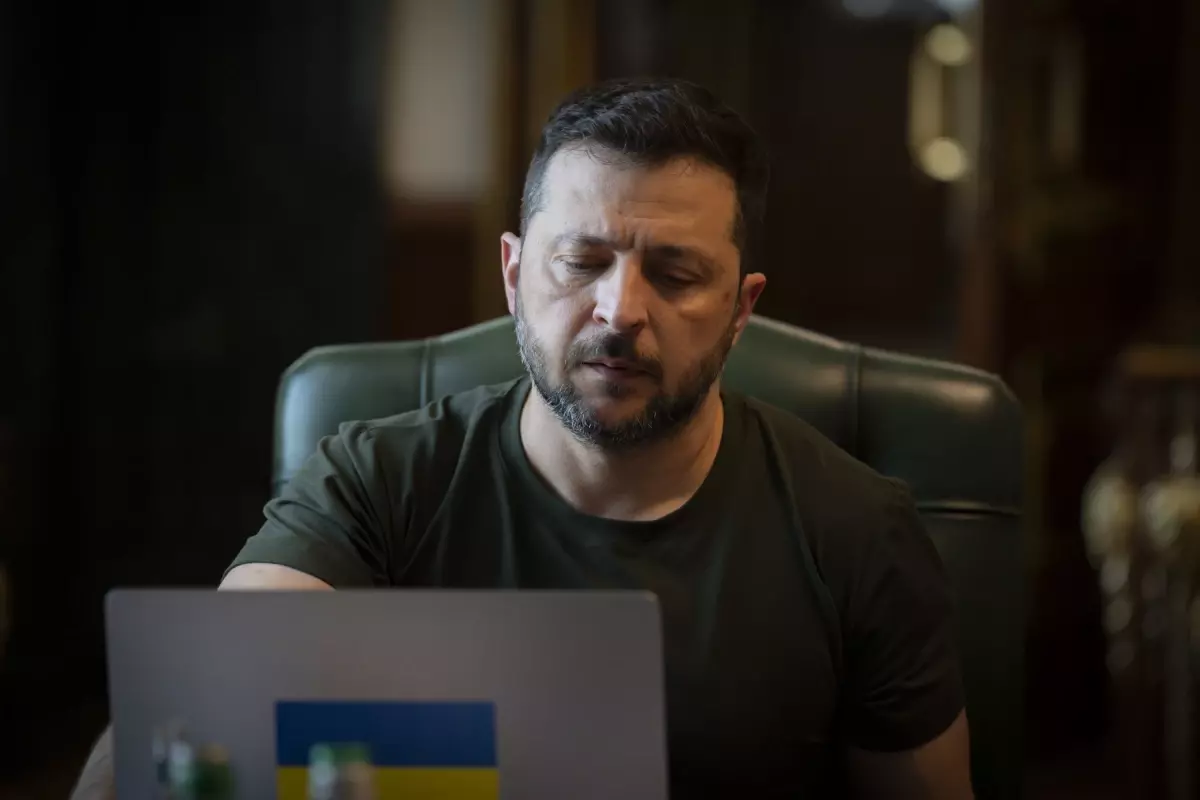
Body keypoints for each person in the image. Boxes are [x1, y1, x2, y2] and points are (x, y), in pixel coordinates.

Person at [73, 77, 972, 799]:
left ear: (741, 310)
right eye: (581, 262)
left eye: (675, 274)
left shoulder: (855, 530)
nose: (619, 311)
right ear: (513, 275)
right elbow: (195, 716)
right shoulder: (378, 482)